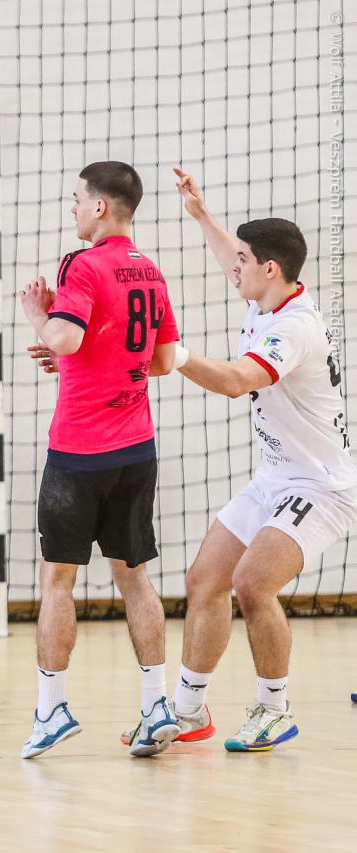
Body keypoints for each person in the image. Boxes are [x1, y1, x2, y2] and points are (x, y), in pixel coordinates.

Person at [166, 168, 357, 751]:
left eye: (244, 262)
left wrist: (176, 357)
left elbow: (235, 381)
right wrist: (202, 215)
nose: (234, 268)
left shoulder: (292, 328)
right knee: (205, 580)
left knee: (253, 582)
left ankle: (275, 709)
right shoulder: (269, 295)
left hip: (321, 487)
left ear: (270, 269)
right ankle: (188, 711)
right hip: (274, 477)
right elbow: (234, 253)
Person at [16, 162, 180, 759]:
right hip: (136, 449)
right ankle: (156, 706)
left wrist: (39, 315)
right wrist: (78, 358)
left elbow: (65, 337)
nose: (73, 208)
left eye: (77, 199)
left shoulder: (82, 265)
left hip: (79, 454)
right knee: (134, 577)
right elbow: (162, 361)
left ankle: (51, 709)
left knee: (58, 580)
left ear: (100, 207)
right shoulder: (150, 270)